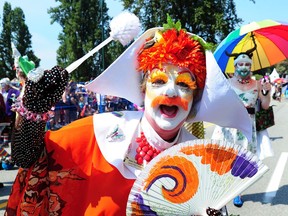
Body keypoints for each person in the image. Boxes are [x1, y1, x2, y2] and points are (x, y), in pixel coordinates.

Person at [5, 17, 252, 215]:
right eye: (159, 80)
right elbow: (28, 158)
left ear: (195, 100)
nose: (171, 91)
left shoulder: (201, 159)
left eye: (185, 85)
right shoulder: (97, 133)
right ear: (143, 90)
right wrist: (32, 112)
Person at [212, 48, 274, 207]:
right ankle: (224, 190)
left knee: (243, 161)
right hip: (229, 127)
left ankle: (237, 192)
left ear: (251, 66)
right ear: (235, 67)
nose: (244, 67)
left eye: (247, 64)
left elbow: (265, 106)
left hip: (248, 127)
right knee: (227, 160)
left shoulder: (258, 84)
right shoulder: (226, 84)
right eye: (241, 64)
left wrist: (267, 91)